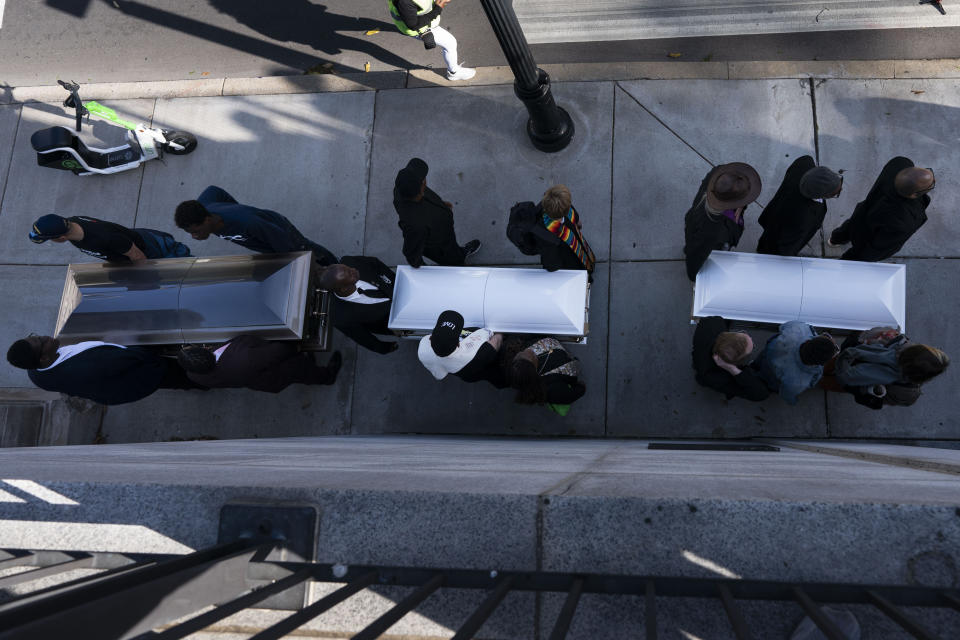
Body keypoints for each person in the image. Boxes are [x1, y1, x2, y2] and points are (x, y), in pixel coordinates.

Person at [6, 335, 198, 405]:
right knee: (182, 373)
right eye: (42, 342)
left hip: (114, 382)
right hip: (144, 375)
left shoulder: (36, 373)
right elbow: (139, 356)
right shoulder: (89, 366)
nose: (45, 336)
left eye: (35, 336)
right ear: (43, 358)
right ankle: (203, 381)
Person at [174, 185, 338, 266]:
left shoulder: (248, 223)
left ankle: (335, 265)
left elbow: (288, 248)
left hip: (280, 231)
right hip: (264, 235)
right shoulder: (205, 205)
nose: (194, 237)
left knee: (307, 250)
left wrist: (307, 268)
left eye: (196, 231)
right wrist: (236, 207)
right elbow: (214, 190)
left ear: (207, 220)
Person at [828, 157, 932, 262]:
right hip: (870, 232)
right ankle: (846, 262)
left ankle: (835, 239)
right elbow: (880, 247)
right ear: (914, 194)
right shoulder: (904, 221)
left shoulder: (900, 163)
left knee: (850, 227)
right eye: (931, 185)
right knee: (858, 255)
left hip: (863, 212)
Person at [829, 327, 949, 409]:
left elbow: (863, 335)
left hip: (845, 358)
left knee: (827, 366)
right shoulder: (909, 393)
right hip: (851, 385)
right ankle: (818, 381)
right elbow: (882, 401)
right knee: (832, 383)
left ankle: (818, 371)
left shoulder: (894, 339)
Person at [393, 158, 480, 268]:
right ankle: (458, 261)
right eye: (423, 180)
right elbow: (411, 253)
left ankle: (458, 252)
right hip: (440, 247)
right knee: (454, 259)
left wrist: (441, 205)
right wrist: (422, 268)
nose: (425, 180)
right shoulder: (415, 226)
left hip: (442, 232)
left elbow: (423, 198)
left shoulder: (402, 188)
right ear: (421, 187)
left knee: (453, 248)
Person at [177, 335, 341, 393]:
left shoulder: (194, 375)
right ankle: (327, 377)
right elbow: (282, 350)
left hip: (261, 380)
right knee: (304, 372)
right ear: (205, 350)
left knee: (301, 370)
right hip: (280, 368)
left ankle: (310, 367)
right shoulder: (244, 357)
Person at [683, 163, 762, 281]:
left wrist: (740, 206)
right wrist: (696, 278)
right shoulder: (715, 232)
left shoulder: (719, 176)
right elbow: (697, 257)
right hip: (703, 241)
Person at [756, 156, 843, 256]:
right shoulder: (803, 219)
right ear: (821, 195)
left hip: (776, 212)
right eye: (836, 193)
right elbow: (786, 248)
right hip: (778, 234)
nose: (841, 189)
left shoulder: (805, 163)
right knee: (768, 247)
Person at [505, 185, 596, 279]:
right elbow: (552, 263)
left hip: (570, 242)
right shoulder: (546, 237)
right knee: (577, 265)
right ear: (565, 211)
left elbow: (573, 214)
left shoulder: (550, 206)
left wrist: (576, 221)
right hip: (567, 257)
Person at [29, 214, 190, 263]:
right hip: (130, 245)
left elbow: (138, 256)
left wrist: (148, 281)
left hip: (151, 249)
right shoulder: (72, 222)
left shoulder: (103, 238)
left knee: (185, 267)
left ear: (62, 238)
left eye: (50, 239)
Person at [319, 256, 399, 354]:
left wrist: (398, 281)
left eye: (348, 268)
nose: (353, 269)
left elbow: (375, 264)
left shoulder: (349, 261)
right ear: (343, 289)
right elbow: (362, 337)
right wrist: (384, 347)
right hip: (391, 321)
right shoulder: (339, 317)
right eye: (350, 273)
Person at [388, 0, 475, 81]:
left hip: (412, 16)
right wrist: (438, 7)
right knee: (450, 43)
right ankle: (454, 72)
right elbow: (414, 25)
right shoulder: (404, 2)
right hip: (418, 27)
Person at [755, 321, 838, 405]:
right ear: (821, 364)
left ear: (808, 341)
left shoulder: (799, 328)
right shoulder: (799, 382)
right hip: (773, 379)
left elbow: (783, 326)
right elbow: (786, 394)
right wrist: (792, 401)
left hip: (767, 355)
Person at [417, 310, 506, 387]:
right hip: (484, 368)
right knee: (496, 377)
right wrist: (500, 327)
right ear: (458, 345)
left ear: (430, 338)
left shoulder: (424, 349)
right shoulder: (479, 355)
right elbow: (497, 340)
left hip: (465, 375)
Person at [691, 316, 768, 401]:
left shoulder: (713, 323)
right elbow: (761, 394)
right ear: (738, 362)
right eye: (753, 346)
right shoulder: (722, 378)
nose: (751, 338)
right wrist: (732, 369)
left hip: (699, 358)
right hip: (707, 376)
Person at [501, 335, 586, 412]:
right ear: (534, 370)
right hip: (568, 368)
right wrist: (581, 387)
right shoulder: (553, 390)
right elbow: (574, 394)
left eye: (521, 353)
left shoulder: (512, 363)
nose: (530, 350)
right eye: (532, 356)